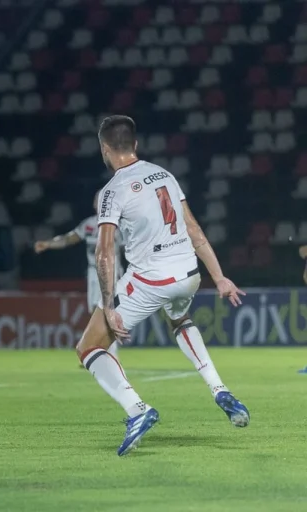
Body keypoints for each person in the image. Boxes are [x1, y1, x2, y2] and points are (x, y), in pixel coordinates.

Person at [76, 115, 249, 456]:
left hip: (150, 279)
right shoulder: (164, 174)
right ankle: (219, 389)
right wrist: (220, 277)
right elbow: (194, 229)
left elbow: (105, 252)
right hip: (188, 274)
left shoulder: (113, 190)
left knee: (88, 348)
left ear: (104, 148)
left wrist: (109, 307)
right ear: (135, 145)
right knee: (180, 321)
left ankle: (136, 410)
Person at [34, 190, 124, 357]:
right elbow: (68, 238)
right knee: (94, 311)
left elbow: (131, 247)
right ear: (94, 204)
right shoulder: (88, 225)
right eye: (98, 199)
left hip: (111, 272)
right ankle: (100, 351)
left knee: (107, 310)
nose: (100, 203)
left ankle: (110, 354)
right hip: (92, 273)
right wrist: (47, 244)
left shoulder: (119, 224)